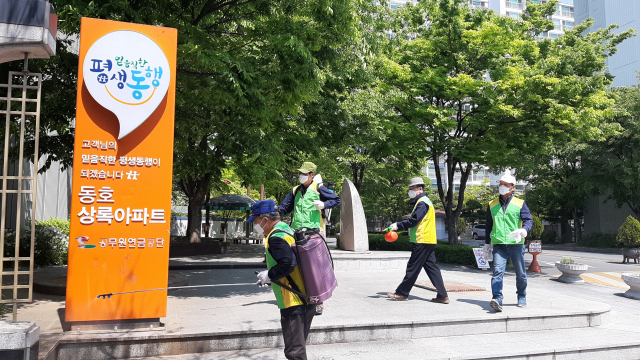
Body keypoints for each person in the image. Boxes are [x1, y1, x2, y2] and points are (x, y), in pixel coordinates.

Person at [251, 200, 316, 360]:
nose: (255, 225)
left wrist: (269, 275)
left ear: (265, 220)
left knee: (294, 353)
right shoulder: (288, 230)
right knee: (298, 348)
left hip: (293, 302)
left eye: (256, 221)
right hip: (306, 298)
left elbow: (288, 263)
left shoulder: (276, 237)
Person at [279, 161, 340, 315]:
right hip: (296, 233)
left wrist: (324, 205)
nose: (301, 176)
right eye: (300, 173)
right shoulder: (295, 191)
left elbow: (336, 200)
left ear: (312, 175)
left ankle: (318, 301)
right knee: (297, 267)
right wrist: (270, 212)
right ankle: (299, 296)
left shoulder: (319, 188)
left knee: (315, 269)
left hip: (313, 234)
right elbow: (284, 208)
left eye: (304, 173)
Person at [386, 177, 449, 304]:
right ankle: (442, 295)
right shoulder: (424, 202)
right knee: (432, 268)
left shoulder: (422, 202)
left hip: (422, 240)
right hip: (428, 240)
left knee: (412, 267)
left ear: (420, 189)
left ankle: (402, 293)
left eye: (412, 189)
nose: (410, 191)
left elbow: (414, 220)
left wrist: (398, 225)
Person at [483, 171, 533, 312]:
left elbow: (528, 220)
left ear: (513, 187)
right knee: (497, 271)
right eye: (500, 184)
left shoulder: (520, 203)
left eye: (505, 184)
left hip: (516, 244)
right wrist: (487, 243)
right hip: (499, 244)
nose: (502, 187)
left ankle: (522, 295)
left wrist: (524, 230)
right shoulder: (492, 204)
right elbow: (488, 224)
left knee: (521, 273)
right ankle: (497, 298)